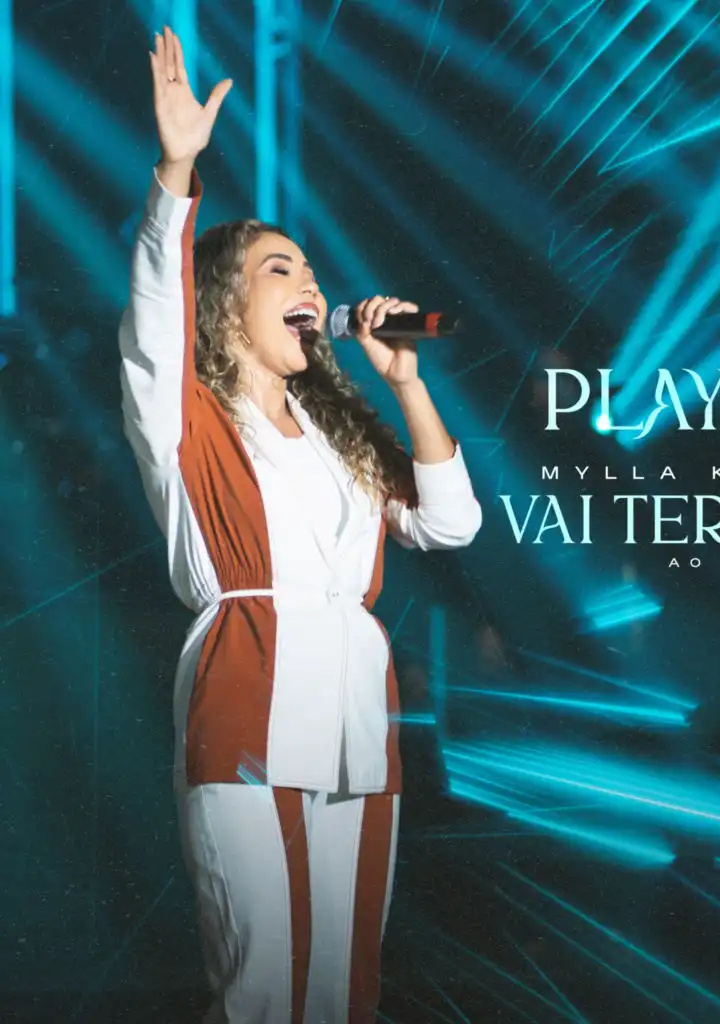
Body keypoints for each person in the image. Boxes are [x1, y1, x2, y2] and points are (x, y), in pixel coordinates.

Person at [119, 27, 482, 1024]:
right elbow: (154, 308)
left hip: (356, 723)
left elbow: (450, 522)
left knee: (341, 992)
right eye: (283, 269)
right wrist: (177, 169)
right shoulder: (185, 417)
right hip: (248, 699)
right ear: (226, 303)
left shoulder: (338, 437)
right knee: (264, 987)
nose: (312, 286)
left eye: (314, 272)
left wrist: (404, 382)